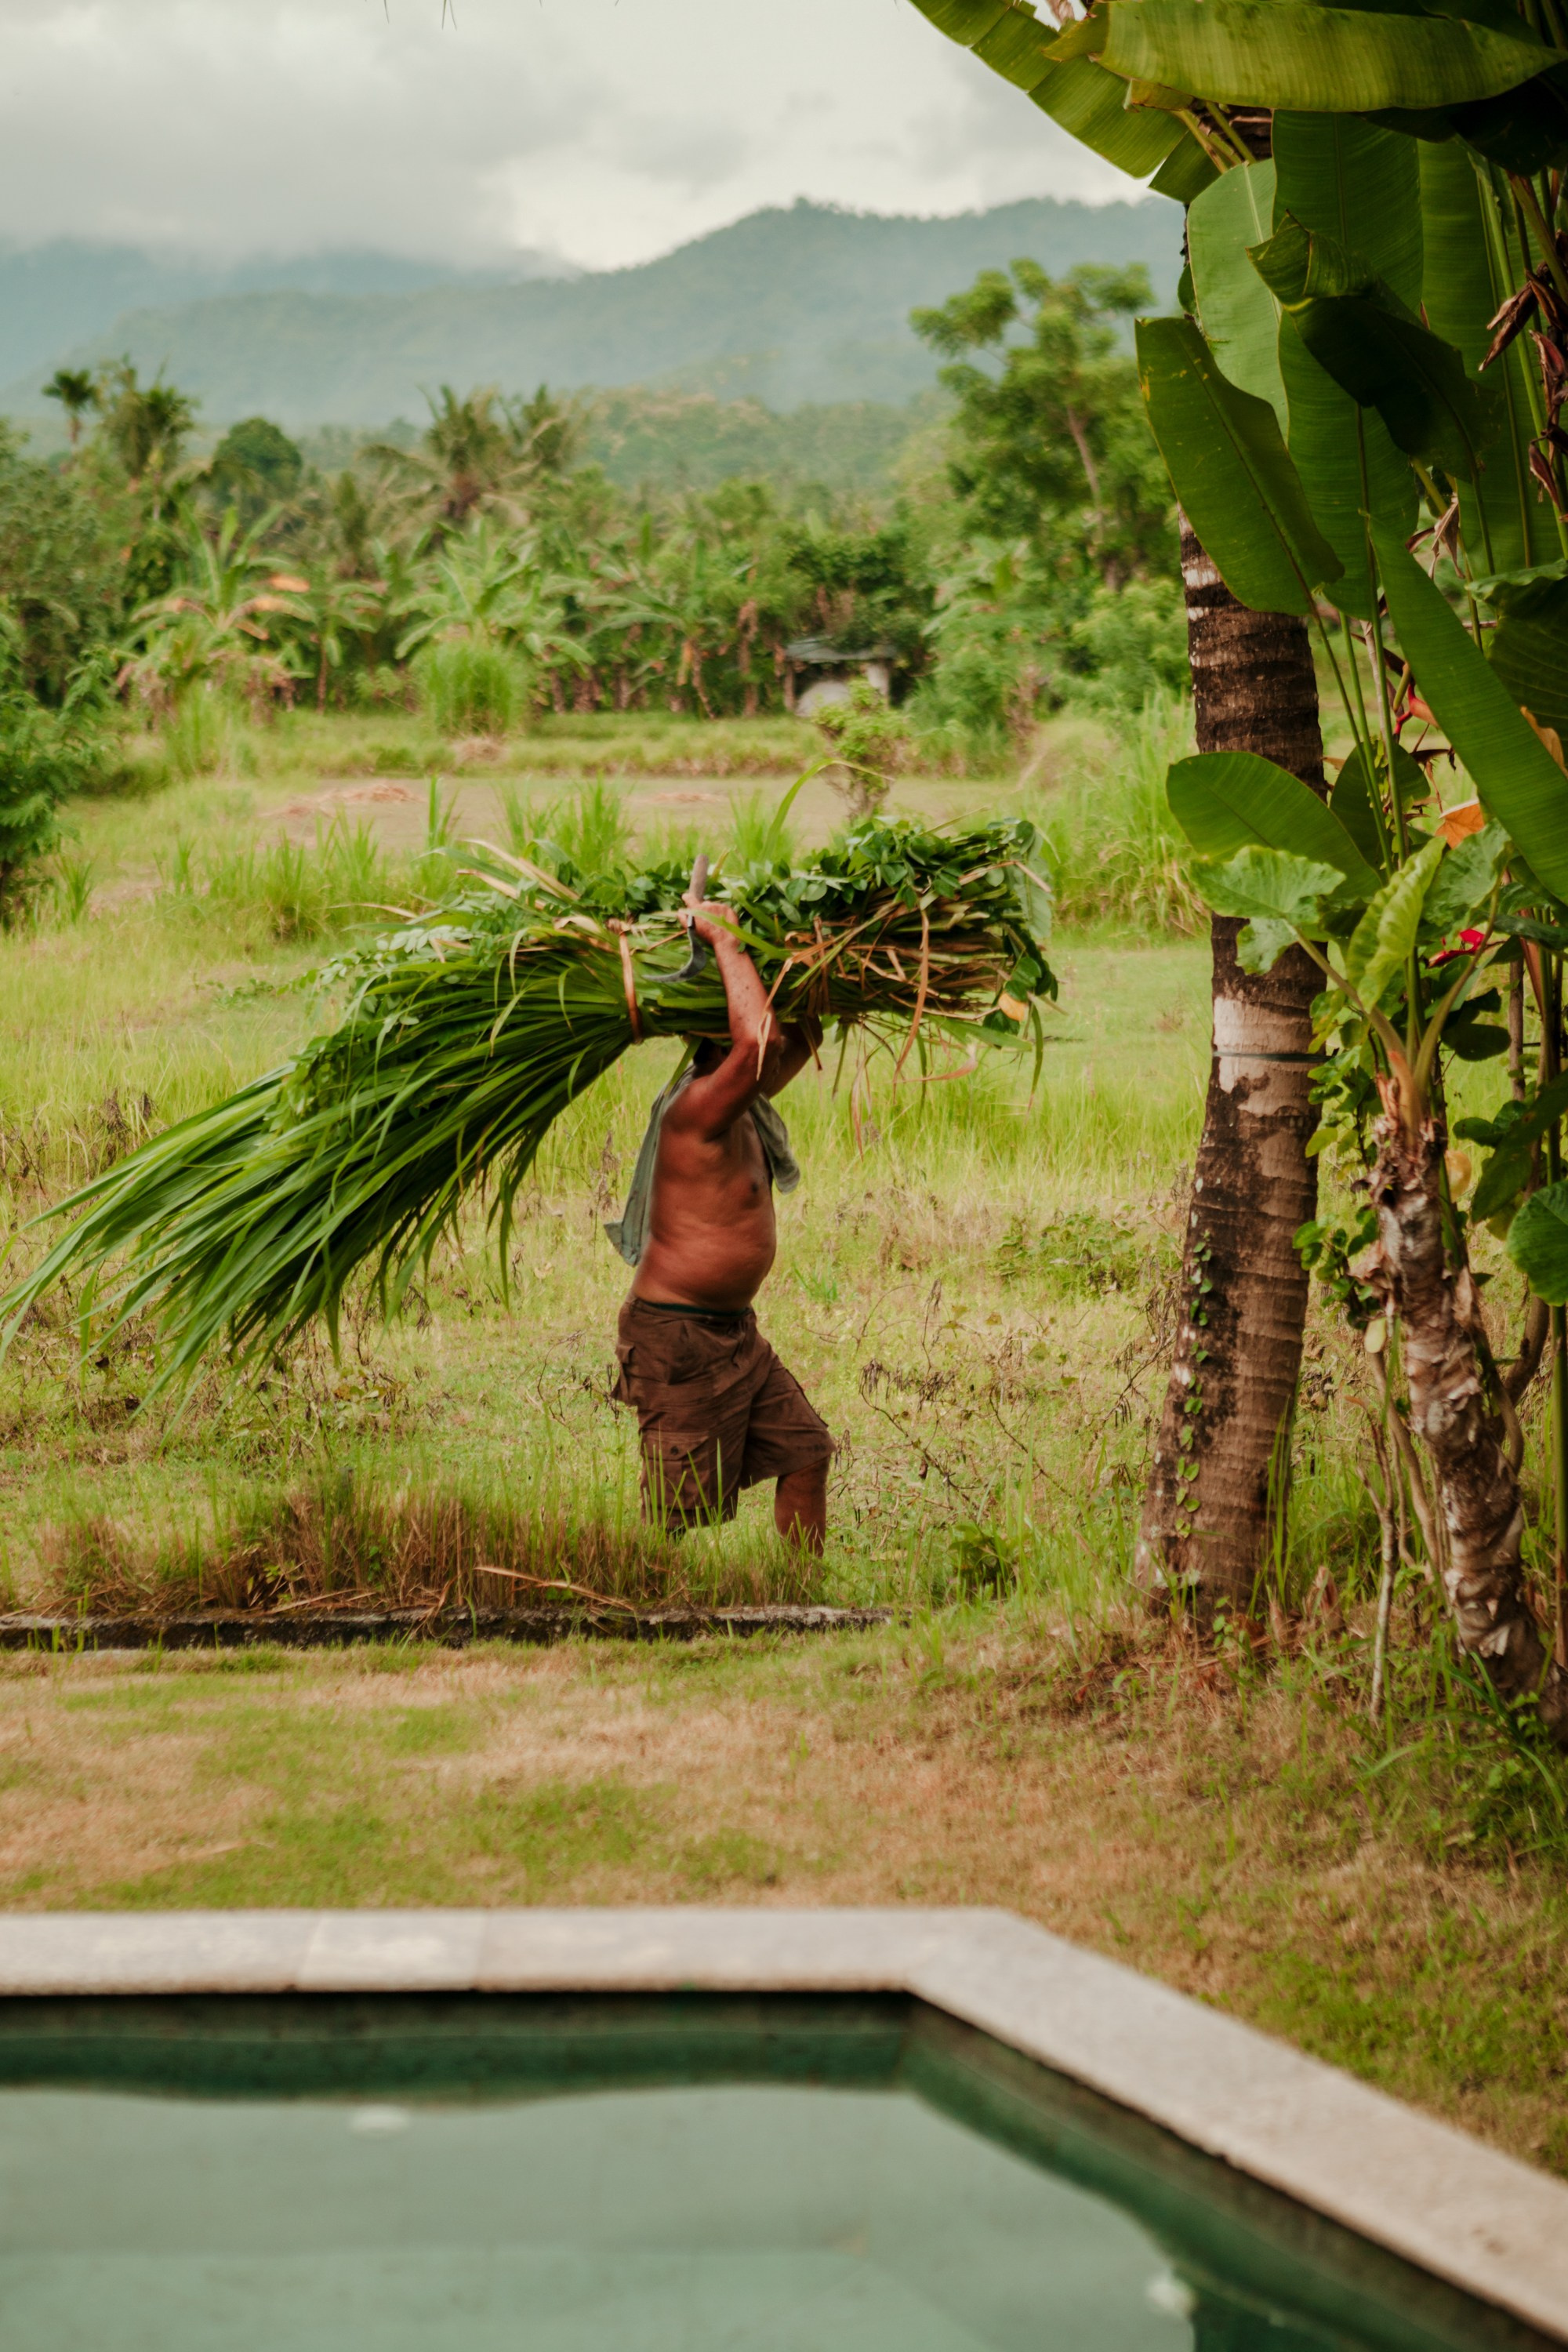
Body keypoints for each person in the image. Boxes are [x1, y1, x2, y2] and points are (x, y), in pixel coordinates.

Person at [605, 891, 833, 1552]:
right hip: (679, 1340)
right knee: (676, 1516)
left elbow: (793, 1039)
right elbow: (761, 1046)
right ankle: (651, 1615)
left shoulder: (743, 1101)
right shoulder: (698, 1110)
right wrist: (727, 941)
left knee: (807, 1452)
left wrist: (820, 965)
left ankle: (798, 1598)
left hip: (735, 1335)